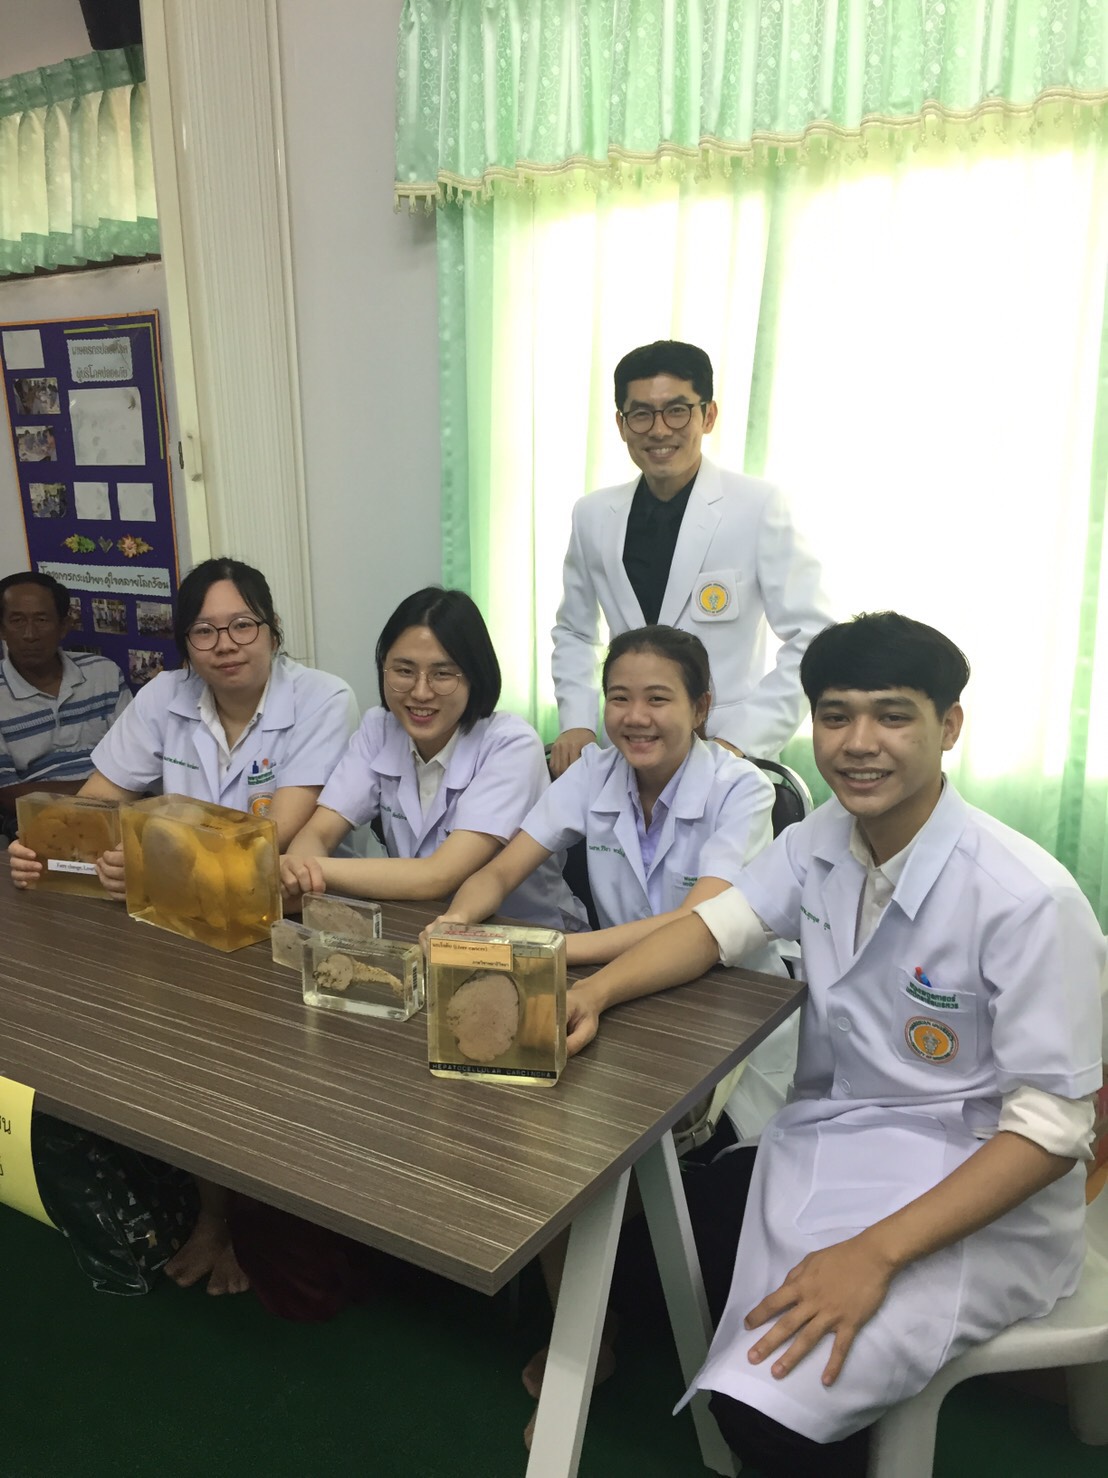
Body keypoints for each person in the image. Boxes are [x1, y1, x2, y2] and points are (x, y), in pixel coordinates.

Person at [559, 612, 1105, 1477]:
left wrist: (875, 1253)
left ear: (949, 726)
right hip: (841, 1145)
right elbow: (716, 927)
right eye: (836, 715)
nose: (858, 743)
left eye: (892, 716)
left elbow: (1051, 1130)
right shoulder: (821, 841)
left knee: (766, 1415)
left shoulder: (1027, 898)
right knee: (638, 1264)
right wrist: (594, 991)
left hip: (972, 1189)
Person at [9, 556, 358, 1298]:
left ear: (272, 629)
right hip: (181, 922)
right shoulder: (164, 697)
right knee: (192, 1069)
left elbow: (270, 843)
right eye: (204, 631)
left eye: (242, 626)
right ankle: (214, 1218)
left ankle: (266, 1221)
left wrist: (139, 861)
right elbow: (96, 803)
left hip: (286, 920)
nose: (225, 645)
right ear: (185, 644)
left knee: (272, 1076)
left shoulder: (323, 698)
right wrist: (45, 846)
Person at [550, 339, 833, 775]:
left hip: (726, 754)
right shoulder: (592, 515)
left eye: (677, 410)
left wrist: (741, 740)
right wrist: (578, 722)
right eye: (641, 414)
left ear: (709, 415)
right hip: (627, 748)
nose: (659, 430)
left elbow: (814, 638)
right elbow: (574, 631)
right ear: (621, 425)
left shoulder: (757, 507)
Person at [439, 624, 780, 974]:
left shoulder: (742, 789)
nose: (635, 717)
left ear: (700, 708)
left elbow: (695, 925)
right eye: (619, 698)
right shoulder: (593, 772)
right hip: (619, 975)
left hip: (730, 984)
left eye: (657, 699)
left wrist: (537, 949)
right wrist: (455, 922)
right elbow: (499, 873)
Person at [282, 586, 584, 932]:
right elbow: (319, 832)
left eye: (442, 674)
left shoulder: (511, 745)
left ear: (475, 675)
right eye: (404, 671)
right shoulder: (380, 728)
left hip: (527, 935)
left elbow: (439, 876)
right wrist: (297, 869)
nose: (421, 692)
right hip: (420, 927)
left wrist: (307, 868)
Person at [0, 571, 130, 844]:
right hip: (40, 823)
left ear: (63, 626)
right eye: (17, 621)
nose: (30, 634)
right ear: (1, 629)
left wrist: (117, 789)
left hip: (122, 813)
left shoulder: (103, 673)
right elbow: (9, 795)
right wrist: (103, 789)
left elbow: (136, 759)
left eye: (42, 620)